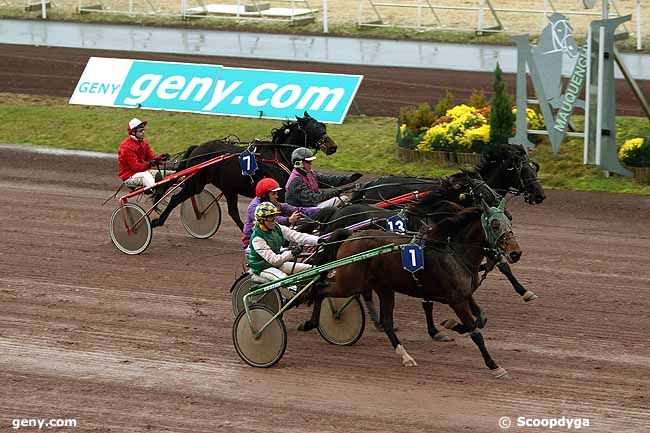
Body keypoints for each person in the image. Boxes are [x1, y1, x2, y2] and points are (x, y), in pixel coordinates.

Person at [248, 202, 320, 297]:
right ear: (261, 221)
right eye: (270, 218)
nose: (274, 220)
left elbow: (297, 236)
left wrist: (318, 240)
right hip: (263, 268)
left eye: (274, 217)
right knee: (285, 279)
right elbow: (275, 260)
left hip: (278, 264)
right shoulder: (257, 239)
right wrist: (292, 253)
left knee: (310, 269)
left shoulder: (276, 227)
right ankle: (295, 295)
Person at [242, 177, 321, 250]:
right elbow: (273, 220)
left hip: (270, 238)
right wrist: (289, 220)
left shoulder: (271, 202)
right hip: (253, 244)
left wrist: (320, 210)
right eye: (273, 194)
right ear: (265, 196)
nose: (277, 196)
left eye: (276, 193)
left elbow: (295, 209)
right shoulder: (254, 208)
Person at [285, 147, 363, 208]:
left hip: (312, 206)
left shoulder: (310, 174)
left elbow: (329, 180)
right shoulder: (295, 181)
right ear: (298, 163)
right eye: (308, 162)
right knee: (342, 199)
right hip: (303, 211)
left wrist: (349, 179)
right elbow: (313, 198)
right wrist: (337, 191)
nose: (311, 164)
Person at [117, 118, 169, 199]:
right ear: (133, 132)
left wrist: (161, 158)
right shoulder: (126, 147)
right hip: (130, 176)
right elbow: (136, 167)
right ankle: (155, 191)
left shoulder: (144, 143)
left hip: (142, 172)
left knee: (169, 173)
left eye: (143, 130)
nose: (143, 132)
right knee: (145, 175)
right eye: (141, 131)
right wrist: (151, 163)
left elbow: (151, 158)